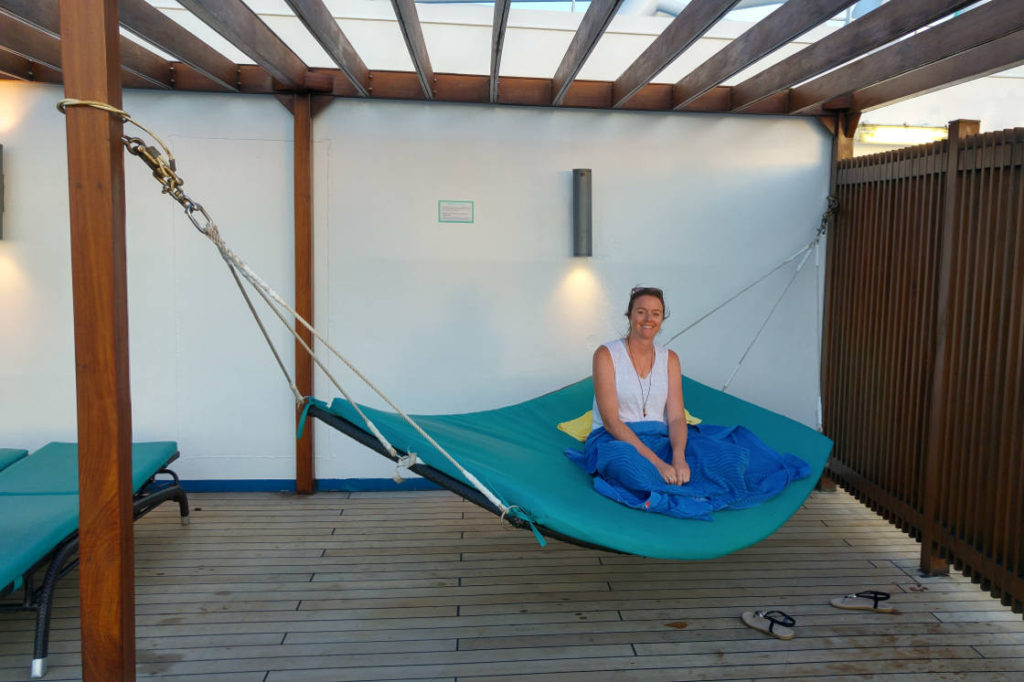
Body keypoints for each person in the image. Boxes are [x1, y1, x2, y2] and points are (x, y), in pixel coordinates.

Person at [591, 286, 690, 486]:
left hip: (658, 437)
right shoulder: (606, 355)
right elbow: (611, 422)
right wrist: (657, 463)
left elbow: (677, 418)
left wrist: (679, 458)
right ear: (630, 316)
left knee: (712, 461)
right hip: (616, 440)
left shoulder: (670, 359)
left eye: (656, 314)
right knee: (632, 468)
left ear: (662, 320)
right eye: (641, 312)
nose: (648, 319)